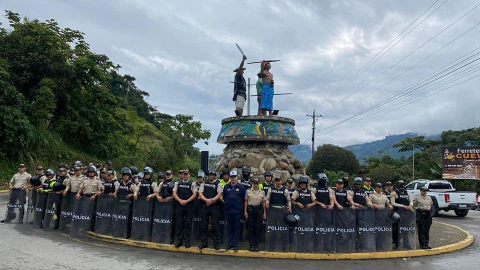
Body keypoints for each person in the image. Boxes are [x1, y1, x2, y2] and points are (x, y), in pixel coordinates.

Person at [198, 170, 223, 250]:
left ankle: (216, 243)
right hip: (205, 206)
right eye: (209, 175)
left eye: (212, 175)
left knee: (215, 226)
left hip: (214, 207)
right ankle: (204, 243)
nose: (210, 176)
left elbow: (219, 194)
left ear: (214, 176)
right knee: (204, 226)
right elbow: (200, 193)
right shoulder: (203, 183)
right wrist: (206, 200)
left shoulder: (218, 183)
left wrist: (211, 200)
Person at [172, 170, 197, 248]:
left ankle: (187, 241)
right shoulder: (178, 183)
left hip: (189, 206)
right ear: (182, 175)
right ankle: (179, 241)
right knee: (179, 224)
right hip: (179, 205)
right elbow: (174, 193)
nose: (185, 176)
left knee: (188, 224)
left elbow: (195, 194)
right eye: (184, 174)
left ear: (189, 175)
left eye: (187, 174)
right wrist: (180, 201)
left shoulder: (192, 183)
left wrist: (187, 201)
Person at [222, 170, 246, 251]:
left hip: (237, 211)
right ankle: (230, 243)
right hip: (228, 211)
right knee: (229, 227)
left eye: (234, 177)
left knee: (236, 228)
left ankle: (235, 244)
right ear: (230, 178)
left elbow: (243, 198)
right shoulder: (226, 187)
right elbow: (224, 197)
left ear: (237, 177)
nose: (233, 179)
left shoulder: (241, 187)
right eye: (232, 177)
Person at [244, 178, 265, 252]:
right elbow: (246, 201)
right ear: (252, 183)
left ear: (258, 183)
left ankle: (256, 245)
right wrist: (245, 211)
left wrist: (264, 213)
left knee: (258, 228)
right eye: (254, 183)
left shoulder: (262, 192)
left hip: (258, 210)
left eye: (256, 183)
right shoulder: (248, 191)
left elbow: (263, 203)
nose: (255, 184)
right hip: (250, 209)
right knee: (250, 227)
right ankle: (251, 245)